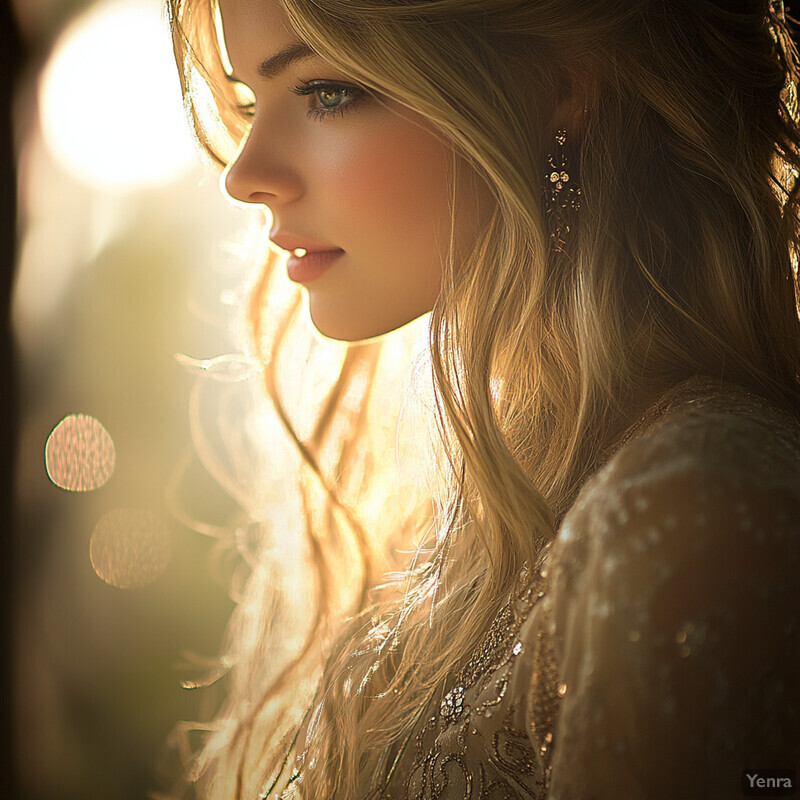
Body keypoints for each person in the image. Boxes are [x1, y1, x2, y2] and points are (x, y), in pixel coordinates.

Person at [167, 0, 800, 797]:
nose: (244, 174)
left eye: (327, 91)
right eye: (254, 103)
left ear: (560, 86)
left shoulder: (693, 512)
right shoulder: (463, 498)